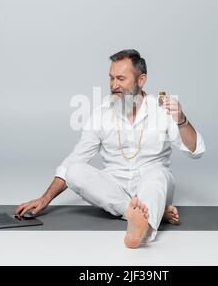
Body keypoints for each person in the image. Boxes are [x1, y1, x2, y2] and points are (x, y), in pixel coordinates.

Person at [15, 49, 205, 248]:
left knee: (157, 174)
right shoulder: (101, 113)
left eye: (121, 79)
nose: (114, 85)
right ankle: (140, 213)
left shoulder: (162, 109)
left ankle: (143, 228)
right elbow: (74, 159)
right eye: (111, 78)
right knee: (74, 171)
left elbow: (196, 151)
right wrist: (45, 198)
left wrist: (182, 121)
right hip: (115, 185)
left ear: (141, 80)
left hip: (151, 181)